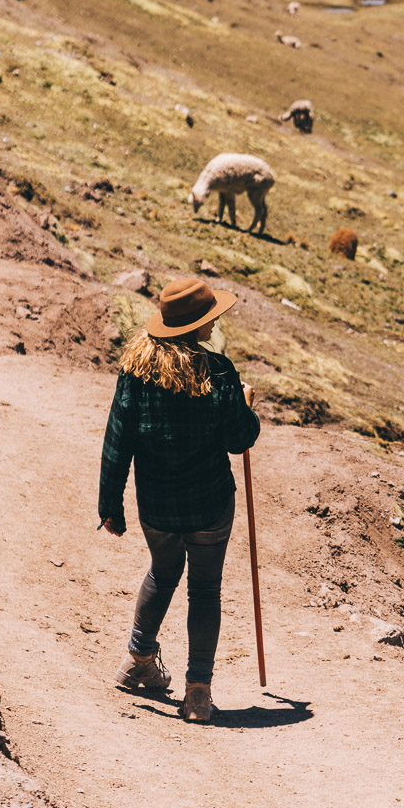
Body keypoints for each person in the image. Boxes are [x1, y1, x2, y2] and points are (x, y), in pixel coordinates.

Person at [98, 278, 260, 722]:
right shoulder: (220, 373)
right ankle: (198, 692)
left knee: (162, 572)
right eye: (211, 317)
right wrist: (245, 406)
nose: (215, 323)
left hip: (157, 506)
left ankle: (139, 659)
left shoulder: (136, 373)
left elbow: (117, 441)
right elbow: (239, 439)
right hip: (210, 504)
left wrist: (110, 505)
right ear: (197, 326)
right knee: (205, 589)